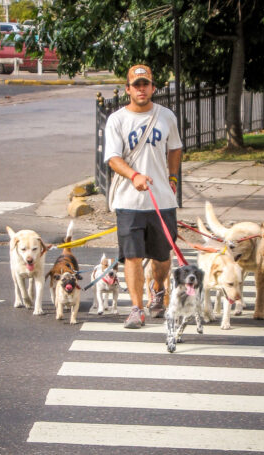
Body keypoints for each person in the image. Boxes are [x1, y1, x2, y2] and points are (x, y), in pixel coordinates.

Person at [104, 64, 182, 329]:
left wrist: (172, 178)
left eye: (145, 84)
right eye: (136, 85)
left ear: (153, 88)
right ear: (128, 89)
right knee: (132, 256)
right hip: (128, 202)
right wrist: (134, 175)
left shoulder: (166, 116)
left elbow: (175, 148)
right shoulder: (117, 120)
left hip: (161, 200)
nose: (141, 89)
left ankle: (157, 289)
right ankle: (136, 308)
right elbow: (113, 159)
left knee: (162, 256)